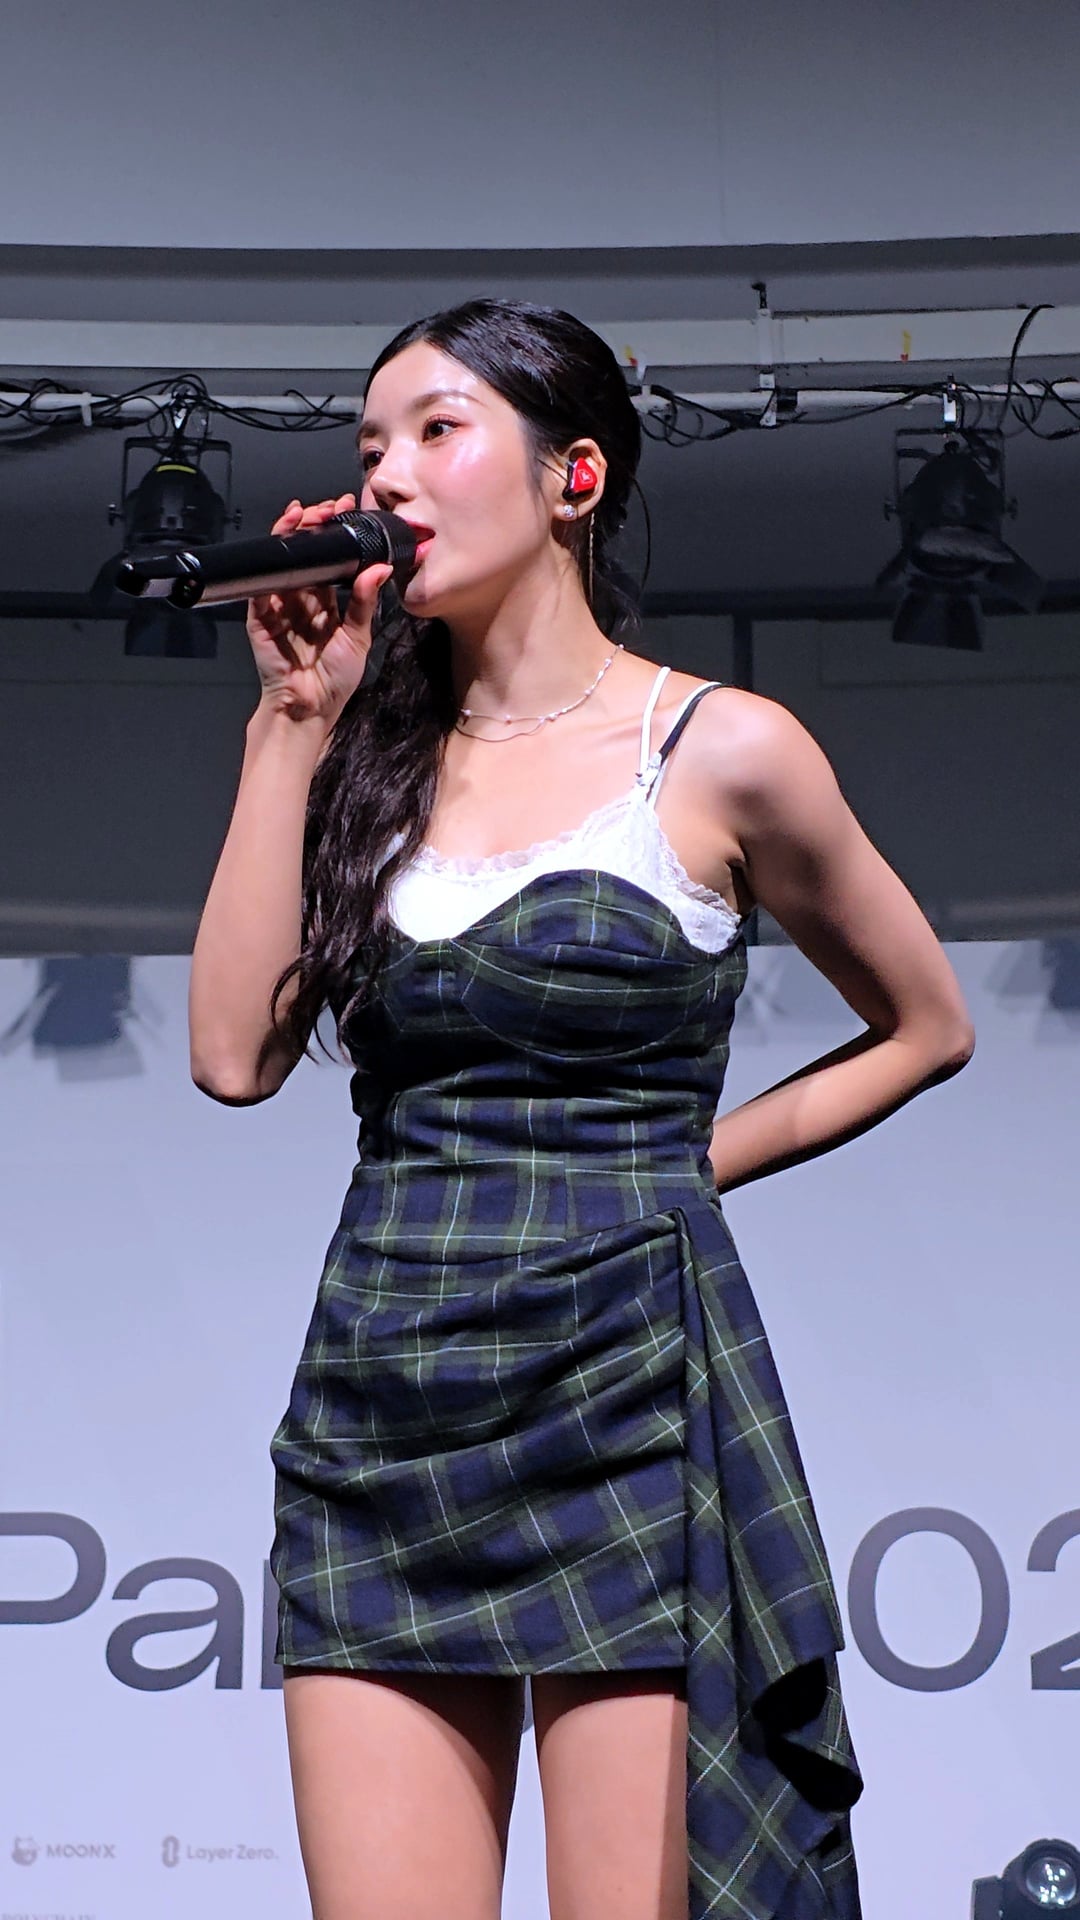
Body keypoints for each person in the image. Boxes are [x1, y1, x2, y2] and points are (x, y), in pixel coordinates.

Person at [188, 297, 975, 1920]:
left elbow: (925, 1027)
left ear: (576, 477)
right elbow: (231, 1058)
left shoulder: (722, 747)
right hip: (386, 1395)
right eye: (368, 446)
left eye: (437, 430)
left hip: (623, 1388)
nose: (386, 477)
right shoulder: (368, 760)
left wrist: (683, 1170)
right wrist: (292, 725)